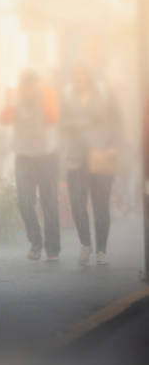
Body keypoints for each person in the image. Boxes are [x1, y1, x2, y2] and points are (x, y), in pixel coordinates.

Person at [60, 64, 122, 266]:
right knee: (77, 204)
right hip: (75, 157)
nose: (79, 79)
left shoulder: (104, 93)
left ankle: (101, 250)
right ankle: (86, 244)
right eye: (76, 76)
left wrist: (114, 145)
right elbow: (61, 122)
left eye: (83, 76)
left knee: (101, 205)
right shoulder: (68, 95)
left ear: (89, 77)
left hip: (101, 153)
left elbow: (117, 120)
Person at [0, 70, 61, 261]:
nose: (29, 92)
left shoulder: (47, 95)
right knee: (24, 201)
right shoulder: (15, 98)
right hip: (24, 156)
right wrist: (10, 102)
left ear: (38, 86)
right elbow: (3, 120)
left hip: (47, 156)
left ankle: (52, 249)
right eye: (26, 88)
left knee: (49, 203)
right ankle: (35, 242)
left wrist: (43, 98)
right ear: (22, 87)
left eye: (33, 87)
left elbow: (53, 118)